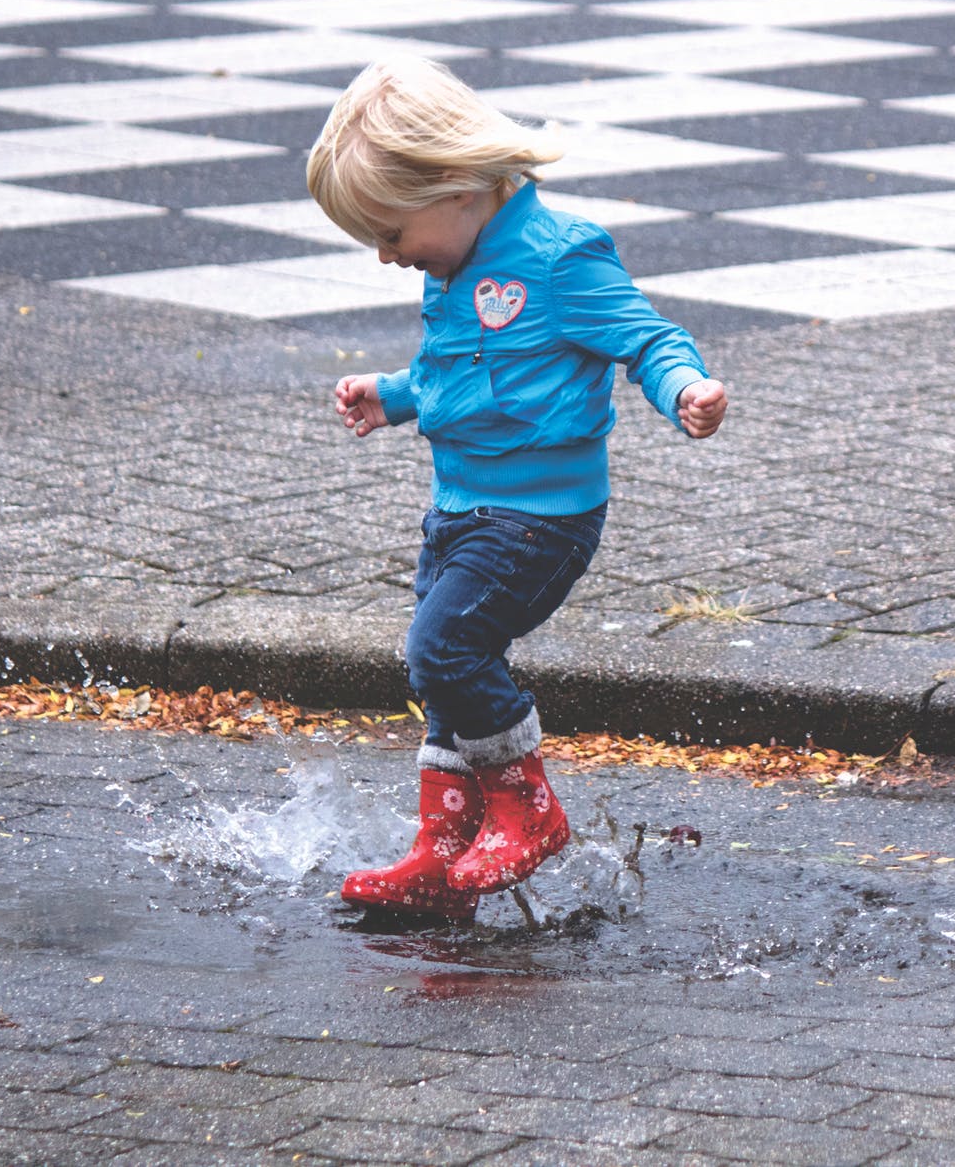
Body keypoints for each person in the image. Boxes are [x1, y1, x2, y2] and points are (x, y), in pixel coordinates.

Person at [306, 56, 728, 918]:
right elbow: (453, 373)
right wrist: (391, 395)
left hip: (541, 519)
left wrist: (684, 387)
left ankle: (528, 809)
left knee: (443, 649)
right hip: (459, 510)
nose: (387, 257)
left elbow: (646, 337)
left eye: (390, 232)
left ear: (458, 187)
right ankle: (445, 844)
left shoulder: (560, 256)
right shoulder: (451, 269)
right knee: (446, 672)